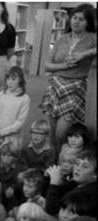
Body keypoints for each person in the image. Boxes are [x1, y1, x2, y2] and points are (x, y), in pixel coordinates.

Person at [40, 3, 96, 154]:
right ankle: (55, 162)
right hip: (56, 85)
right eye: (74, 18)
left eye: (81, 19)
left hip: (75, 86)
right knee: (53, 131)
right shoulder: (62, 39)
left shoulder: (92, 38)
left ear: (88, 23)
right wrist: (65, 66)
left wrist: (86, 54)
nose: (76, 21)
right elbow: (47, 65)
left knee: (61, 133)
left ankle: (65, 160)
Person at [0, 66, 30, 150]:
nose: (10, 82)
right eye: (8, 79)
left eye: (13, 79)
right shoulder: (0, 95)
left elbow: (20, 122)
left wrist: (2, 133)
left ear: (20, 80)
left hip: (12, 138)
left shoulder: (24, 98)